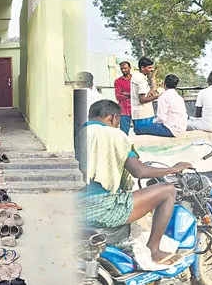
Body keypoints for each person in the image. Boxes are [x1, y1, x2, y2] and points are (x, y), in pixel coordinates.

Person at [76, 100, 192, 264]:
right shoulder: (114, 135)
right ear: (114, 118)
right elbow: (140, 171)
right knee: (168, 190)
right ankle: (154, 250)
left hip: (76, 208)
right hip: (102, 209)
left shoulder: (79, 133)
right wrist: (172, 169)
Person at [131, 57, 160, 134]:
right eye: (149, 68)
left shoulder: (136, 76)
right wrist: (158, 96)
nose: (151, 70)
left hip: (137, 114)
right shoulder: (141, 80)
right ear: (142, 68)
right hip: (143, 115)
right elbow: (142, 99)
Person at [114, 61, 133, 135]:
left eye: (125, 68)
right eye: (121, 69)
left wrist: (127, 94)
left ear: (130, 68)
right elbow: (118, 96)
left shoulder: (135, 80)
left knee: (140, 131)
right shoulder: (118, 81)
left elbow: (139, 94)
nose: (123, 70)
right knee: (124, 134)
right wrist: (132, 95)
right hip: (124, 111)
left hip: (135, 109)